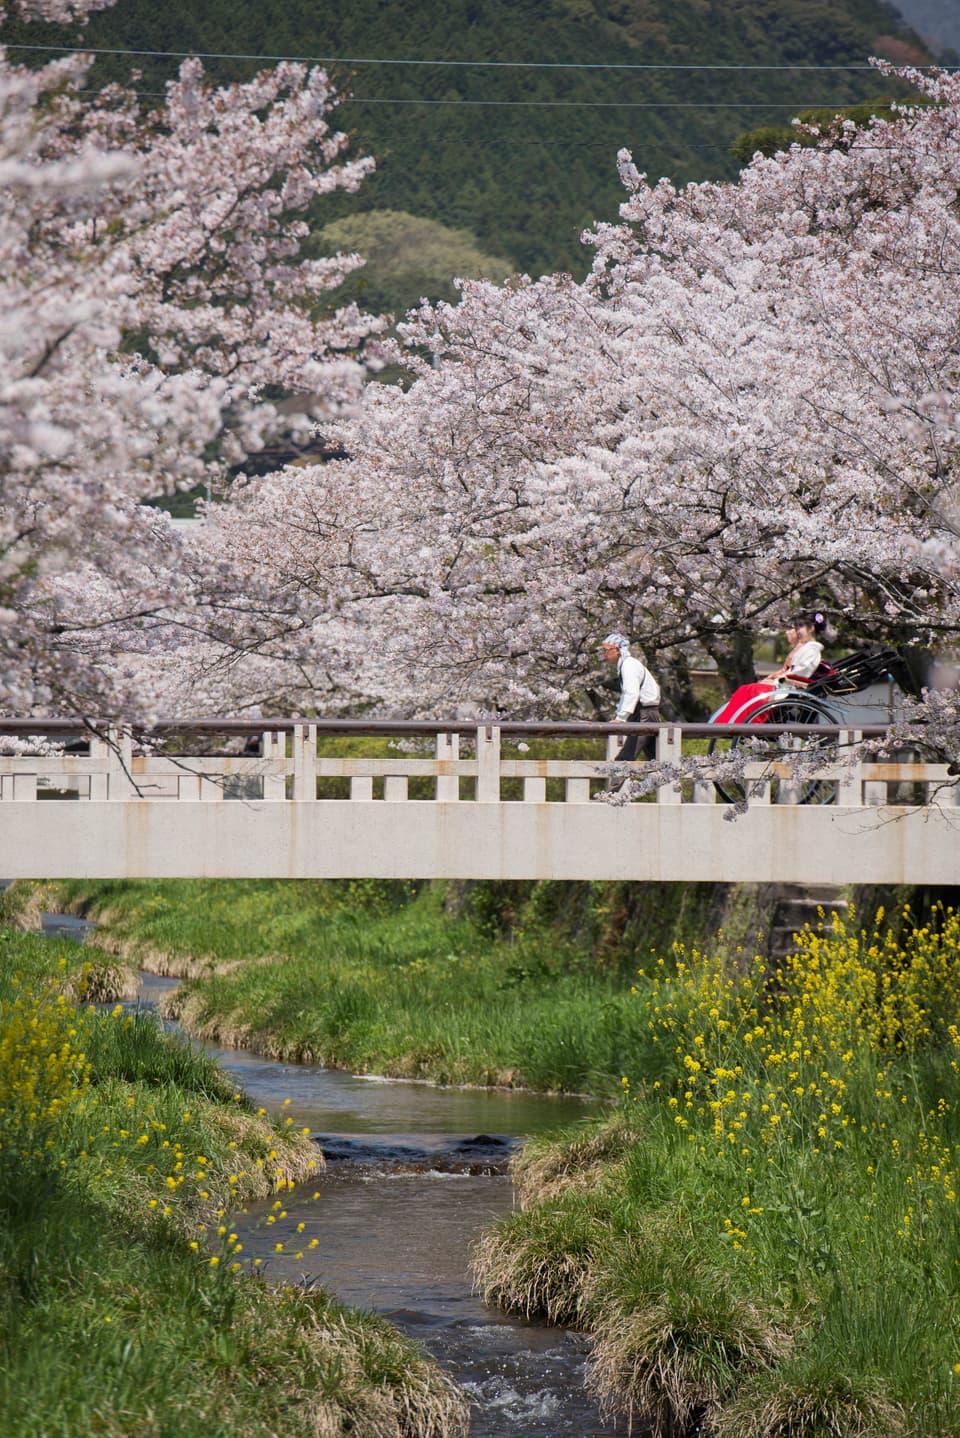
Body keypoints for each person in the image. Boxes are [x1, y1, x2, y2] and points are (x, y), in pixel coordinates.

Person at [711, 612, 827, 725]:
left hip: (790, 686)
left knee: (751, 690)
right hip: (787, 683)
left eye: (800, 627)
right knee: (745, 689)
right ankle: (729, 723)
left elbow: (801, 672)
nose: (797, 631)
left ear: (811, 628)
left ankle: (738, 724)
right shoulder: (807, 648)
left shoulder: (812, 650)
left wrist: (780, 678)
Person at [601, 632, 661, 761]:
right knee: (654, 759)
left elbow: (631, 693)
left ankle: (616, 781)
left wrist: (621, 718)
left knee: (624, 760)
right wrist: (620, 715)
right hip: (646, 713)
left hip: (644, 715)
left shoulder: (629, 665)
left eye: (606, 650)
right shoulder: (627, 665)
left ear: (616, 649)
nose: (604, 654)